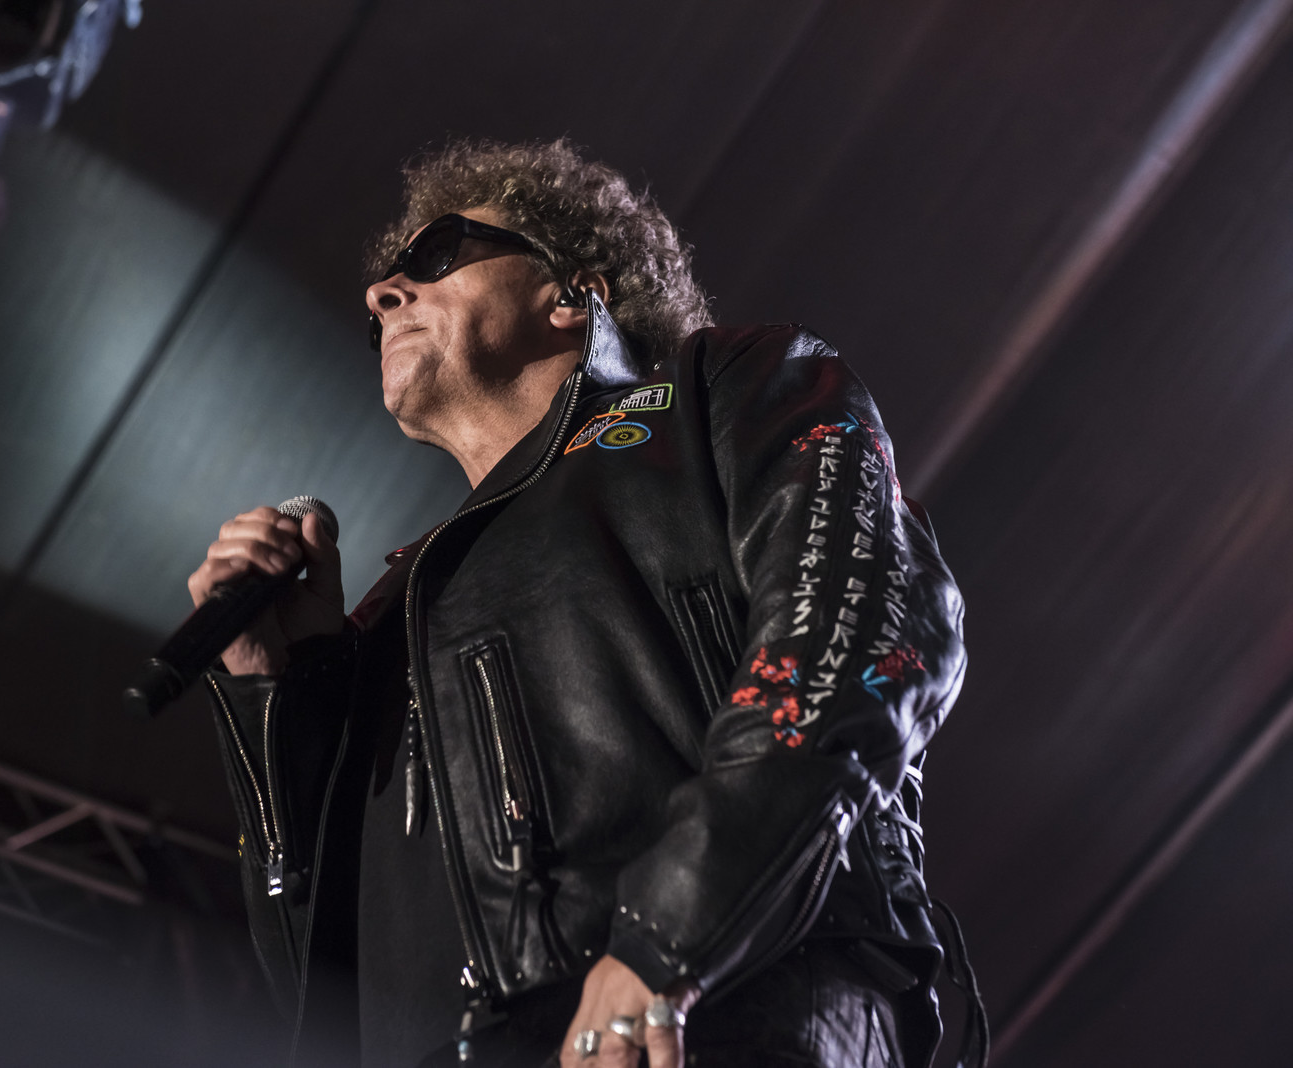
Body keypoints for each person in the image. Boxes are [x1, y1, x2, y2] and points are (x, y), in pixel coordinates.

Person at [191, 139, 982, 1068]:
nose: (382, 294)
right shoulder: (393, 610)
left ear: (573, 292)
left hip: (718, 1012)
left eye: (436, 255)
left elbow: (865, 631)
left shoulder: (725, 391)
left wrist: (668, 939)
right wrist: (278, 690)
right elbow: (317, 987)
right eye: (382, 292)